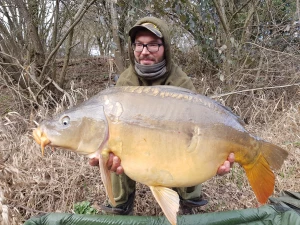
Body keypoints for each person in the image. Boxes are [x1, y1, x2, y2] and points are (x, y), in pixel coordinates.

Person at [90, 16, 235, 215]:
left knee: (190, 150)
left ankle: (189, 204)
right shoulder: (125, 81)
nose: (144, 51)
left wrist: (214, 160)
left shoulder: (180, 81)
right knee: (115, 150)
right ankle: (119, 208)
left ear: (165, 47)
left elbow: (196, 125)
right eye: (139, 45)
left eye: (153, 45)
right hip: (136, 140)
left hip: (173, 139)